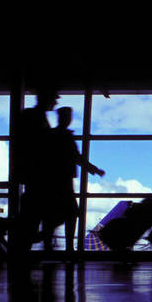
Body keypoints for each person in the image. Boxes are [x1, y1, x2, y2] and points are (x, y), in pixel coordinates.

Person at [43, 107, 105, 251]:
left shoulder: (52, 136)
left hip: (53, 181)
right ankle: (69, 248)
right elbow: (77, 157)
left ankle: (49, 246)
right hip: (64, 181)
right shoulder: (66, 137)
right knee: (70, 214)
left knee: (54, 215)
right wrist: (94, 170)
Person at [12, 84, 58, 252]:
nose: (56, 102)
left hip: (34, 176)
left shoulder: (31, 116)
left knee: (31, 217)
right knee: (37, 216)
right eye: (54, 99)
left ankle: (26, 247)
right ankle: (32, 244)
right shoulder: (37, 118)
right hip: (38, 176)